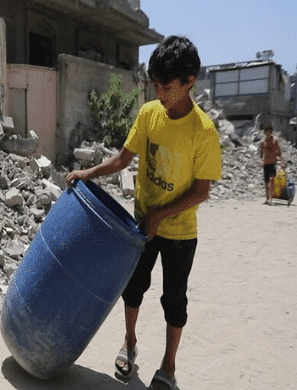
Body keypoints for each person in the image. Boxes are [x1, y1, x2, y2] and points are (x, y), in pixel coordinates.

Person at [65, 36, 222, 390]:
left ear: (189, 83)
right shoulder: (150, 114)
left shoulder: (204, 132)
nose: (160, 94)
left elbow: (201, 191)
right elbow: (123, 159)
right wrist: (87, 173)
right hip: (142, 226)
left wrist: (160, 216)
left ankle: (168, 366)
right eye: (155, 86)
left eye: (166, 87)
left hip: (180, 233)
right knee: (133, 287)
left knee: (174, 299)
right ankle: (130, 342)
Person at [259, 124, 281, 204]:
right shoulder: (263, 142)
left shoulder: (275, 141)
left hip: (273, 162)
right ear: (265, 133)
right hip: (266, 163)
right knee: (266, 182)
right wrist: (261, 161)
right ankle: (267, 198)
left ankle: (271, 198)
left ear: (271, 132)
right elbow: (261, 153)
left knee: (272, 180)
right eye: (267, 132)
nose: (268, 133)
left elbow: (279, 152)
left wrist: (281, 161)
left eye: (269, 131)